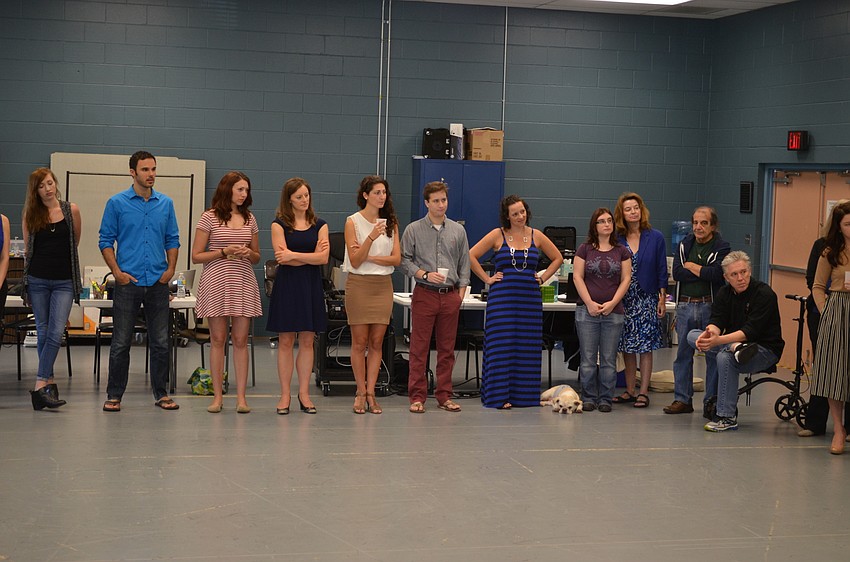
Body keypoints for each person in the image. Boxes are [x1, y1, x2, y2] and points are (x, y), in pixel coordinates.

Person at [98, 151, 180, 412]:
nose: (151, 174)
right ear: (133, 172)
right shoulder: (117, 203)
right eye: (145, 170)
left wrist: (171, 269)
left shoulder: (165, 204)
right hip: (128, 282)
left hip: (157, 281)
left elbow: (172, 239)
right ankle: (114, 395)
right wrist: (117, 272)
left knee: (161, 342)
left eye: (153, 169)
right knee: (121, 342)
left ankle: (161, 394)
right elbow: (105, 241)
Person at [469, 194, 563, 409]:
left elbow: (557, 258)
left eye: (522, 212)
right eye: (515, 214)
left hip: (529, 300)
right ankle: (498, 396)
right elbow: (471, 255)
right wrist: (487, 279)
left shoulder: (536, 235)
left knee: (525, 346)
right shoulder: (497, 234)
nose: (520, 216)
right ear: (507, 216)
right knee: (501, 346)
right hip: (502, 300)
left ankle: (524, 396)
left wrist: (543, 278)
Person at [689, 251, 784, 432]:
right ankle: (734, 347)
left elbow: (750, 331)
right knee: (692, 335)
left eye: (744, 272)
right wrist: (710, 334)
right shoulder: (724, 293)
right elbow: (717, 320)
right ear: (726, 278)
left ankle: (727, 417)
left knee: (725, 357)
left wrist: (719, 341)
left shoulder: (765, 294)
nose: (740, 278)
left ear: (750, 271)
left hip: (763, 349)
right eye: (734, 274)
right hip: (734, 345)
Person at [192, 171, 262, 414]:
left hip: (242, 280)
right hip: (216, 281)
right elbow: (196, 255)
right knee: (218, 340)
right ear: (227, 189)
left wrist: (248, 253)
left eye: (246, 190)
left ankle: (241, 398)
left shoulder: (250, 219)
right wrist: (223, 252)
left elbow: (257, 256)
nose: (244, 194)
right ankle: (217, 397)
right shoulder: (209, 217)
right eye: (240, 189)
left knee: (241, 340)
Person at [400, 181, 470, 414]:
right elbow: (403, 260)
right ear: (427, 203)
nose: (441, 205)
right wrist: (423, 274)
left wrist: (460, 295)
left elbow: (464, 264)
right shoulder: (413, 229)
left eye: (444, 200)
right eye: (436, 201)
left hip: (450, 296)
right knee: (419, 347)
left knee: (447, 349)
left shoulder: (458, 231)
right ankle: (417, 396)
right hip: (425, 293)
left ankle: (444, 395)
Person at [21, 168, 83, 410]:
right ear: (35, 191)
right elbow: (28, 250)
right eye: (41, 186)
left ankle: (39, 385)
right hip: (37, 279)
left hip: (64, 281)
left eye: (49, 183)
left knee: (56, 332)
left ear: (55, 183)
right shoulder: (31, 214)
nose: (47, 189)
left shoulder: (71, 210)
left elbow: (74, 243)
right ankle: (49, 385)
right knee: (43, 331)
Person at [267, 177, 328, 415]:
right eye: (299, 197)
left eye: (306, 195)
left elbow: (323, 258)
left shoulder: (320, 225)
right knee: (285, 341)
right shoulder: (278, 225)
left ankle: (304, 393)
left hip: (310, 285)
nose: (304, 200)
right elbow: (281, 259)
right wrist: (308, 256)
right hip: (288, 285)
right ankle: (285, 395)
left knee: (307, 340)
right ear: (289, 200)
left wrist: (293, 255)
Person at [664, 206, 731, 416]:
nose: (698, 227)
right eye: (695, 223)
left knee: (713, 354)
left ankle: (711, 402)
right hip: (685, 305)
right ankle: (682, 399)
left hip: (710, 306)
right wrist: (702, 271)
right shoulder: (685, 244)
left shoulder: (722, 247)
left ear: (713, 226)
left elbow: (717, 274)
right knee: (683, 354)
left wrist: (692, 266)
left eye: (703, 223)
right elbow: (678, 273)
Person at [343, 175, 400, 414]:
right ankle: (359, 392)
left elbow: (396, 259)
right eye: (377, 192)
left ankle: (371, 392)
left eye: (384, 192)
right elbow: (355, 261)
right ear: (365, 195)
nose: (381, 196)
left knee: (377, 342)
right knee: (359, 342)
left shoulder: (391, 223)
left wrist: (372, 257)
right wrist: (371, 237)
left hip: (383, 285)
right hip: (359, 285)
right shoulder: (352, 222)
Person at [799, 199, 850, 438]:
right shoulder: (826, 249)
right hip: (833, 311)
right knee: (831, 370)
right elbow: (816, 284)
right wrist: (826, 309)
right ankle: (828, 426)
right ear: (838, 225)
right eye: (848, 223)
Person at [572, 208, 631, 412]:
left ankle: (606, 398)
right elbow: (577, 276)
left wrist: (613, 303)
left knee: (608, 359)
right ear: (594, 226)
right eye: (602, 221)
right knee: (588, 359)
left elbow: (626, 279)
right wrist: (589, 302)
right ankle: (588, 396)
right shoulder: (584, 249)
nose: (607, 224)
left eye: (609, 221)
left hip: (613, 312)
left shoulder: (621, 251)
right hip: (587, 312)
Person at [612, 192, 668, 409]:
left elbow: (661, 269)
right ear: (622, 214)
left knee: (645, 347)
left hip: (647, 298)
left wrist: (661, 299)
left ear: (641, 210)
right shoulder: (617, 239)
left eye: (636, 208)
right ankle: (629, 390)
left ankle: (643, 392)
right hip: (624, 298)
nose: (633, 212)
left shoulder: (656, 237)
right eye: (628, 209)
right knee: (627, 346)